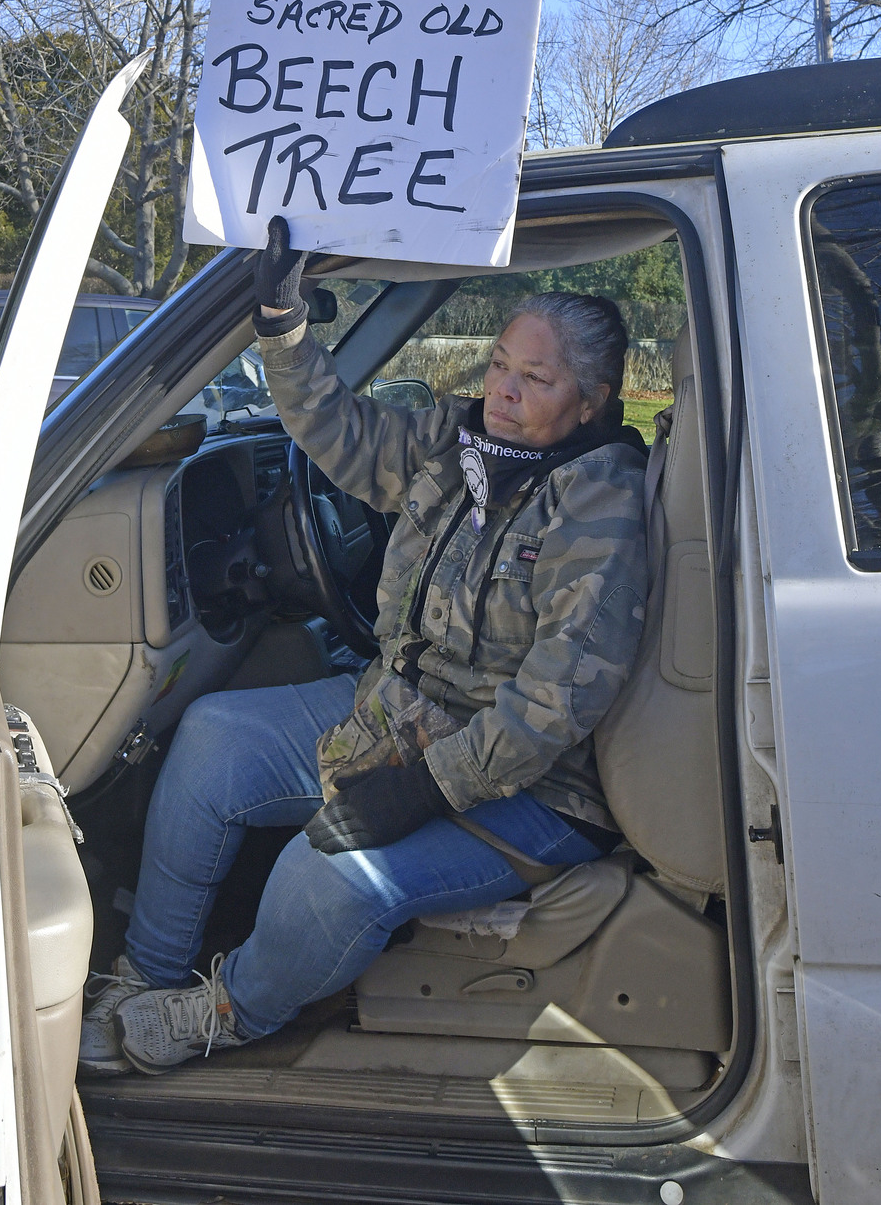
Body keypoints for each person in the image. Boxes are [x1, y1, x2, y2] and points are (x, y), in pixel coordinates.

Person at [79, 217, 650, 1075]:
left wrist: (424, 790)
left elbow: (553, 706)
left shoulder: (599, 508)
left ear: (591, 402)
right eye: (499, 363)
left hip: (528, 789)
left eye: (535, 378)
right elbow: (340, 432)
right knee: (212, 740)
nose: (503, 389)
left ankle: (226, 1013)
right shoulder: (460, 448)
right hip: (395, 714)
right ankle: (147, 979)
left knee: (328, 875)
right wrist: (284, 331)